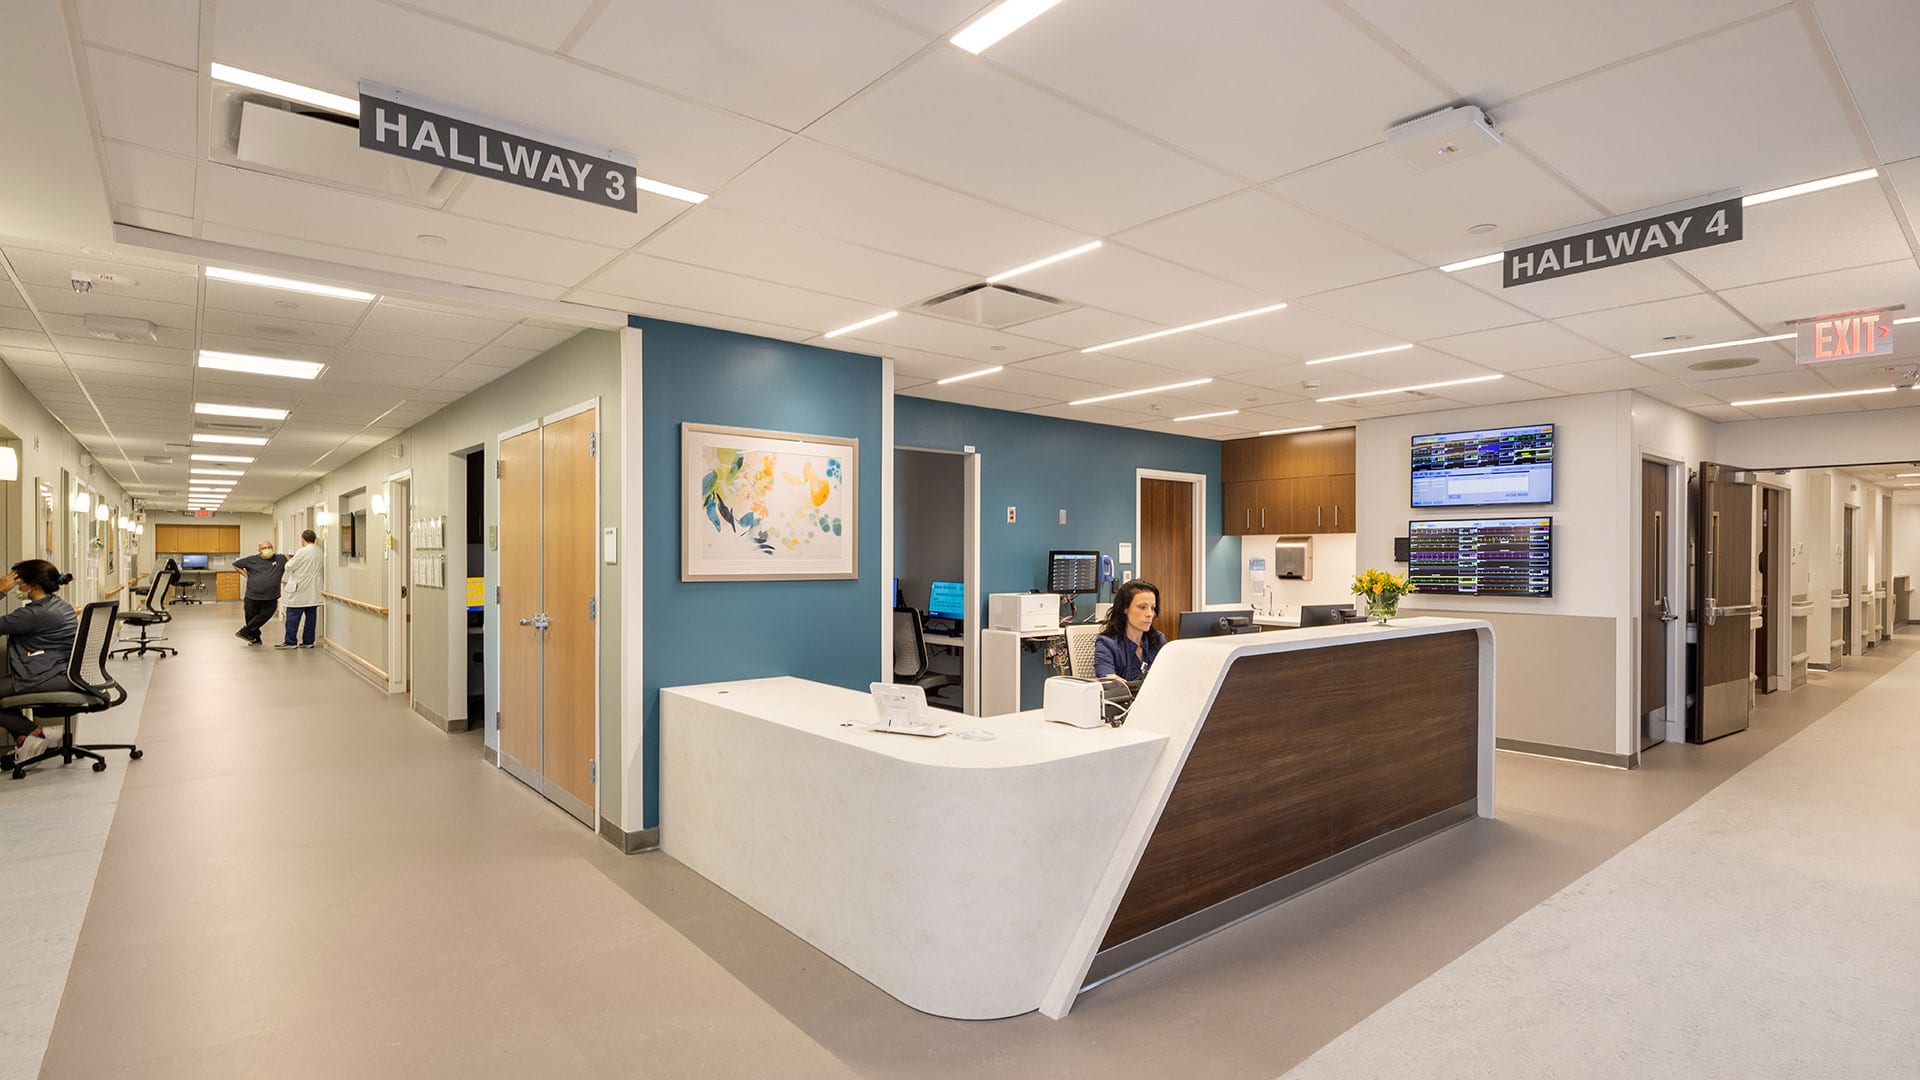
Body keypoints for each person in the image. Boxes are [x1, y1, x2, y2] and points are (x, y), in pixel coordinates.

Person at [0, 560, 79, 765]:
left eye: (17, 579)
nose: (15, 585)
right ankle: (27, 740)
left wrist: (0, 590)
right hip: (61, 670)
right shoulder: (59, 604)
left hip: (50, 674)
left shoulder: (35, 613)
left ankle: (34, 733)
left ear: (32, 584)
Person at [1093, 579, 1165, 684]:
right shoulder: (1106, 643)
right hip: (1124, 699)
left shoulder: (1157, 639)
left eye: (1152, 608)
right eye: (1142, 607)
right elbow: (1106, 675)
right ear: (1125, 608)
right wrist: (1113, 680)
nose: (1150, 614)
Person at [232, 540, 289, 646]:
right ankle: (255, 638)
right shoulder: (251, 560)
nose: (267, 549)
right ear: (259, 550)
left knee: (267, 614)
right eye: (264, 548)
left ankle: (245, 631)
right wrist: (246, 575)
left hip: (271, 596)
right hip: (252, 595)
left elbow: (294, 558)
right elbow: (236, 564)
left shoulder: (280, 559)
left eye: (269, 547)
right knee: (251, 618)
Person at [277, 530, 321, 650]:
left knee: (292, 616)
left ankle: (290, 641)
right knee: (311, 617)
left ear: (302, 539)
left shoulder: (302, 551)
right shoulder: (319, 551)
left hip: (300, 588)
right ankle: (308, 641)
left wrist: (289, 559)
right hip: (314, 590)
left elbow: (289, 567)